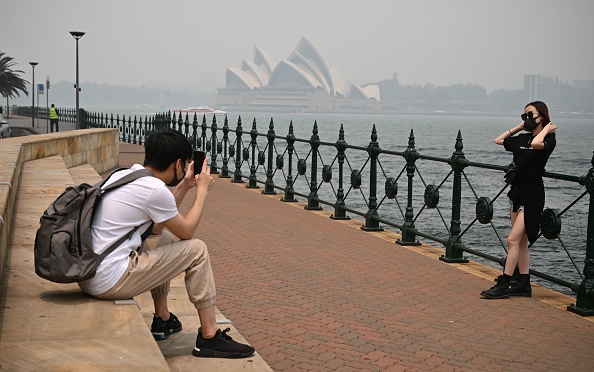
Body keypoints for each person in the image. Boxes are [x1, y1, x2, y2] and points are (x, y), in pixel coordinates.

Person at [78, 128, 255, 358]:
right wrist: (201, 191)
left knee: (162, 238)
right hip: (108, 280)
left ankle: (163, 319)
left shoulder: (125, 175)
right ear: (179, 163)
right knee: (197, 250)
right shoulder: (154, 190)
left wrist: (184, 186)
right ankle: (210, 336)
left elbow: (157, 227)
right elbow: (188, 232)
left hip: (90, 273)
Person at [481, 101, 557, 299]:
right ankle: (524, 283)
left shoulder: (548, 141)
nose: (527, 119)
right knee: (521, 242)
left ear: (542, 116)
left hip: (533, 196)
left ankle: (504, 284)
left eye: (531, 115)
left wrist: (546, 129)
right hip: (516, 194)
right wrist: (519, 127)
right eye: (525, 116)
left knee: (512, 239)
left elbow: (536, 144)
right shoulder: (522, 138)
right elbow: (498, 140)